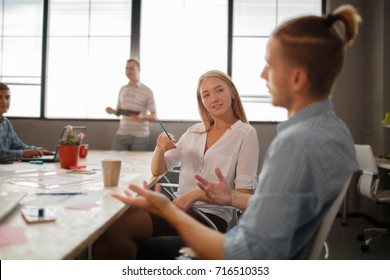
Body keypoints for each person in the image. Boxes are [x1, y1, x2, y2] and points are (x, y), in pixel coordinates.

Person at [113, 5, 360, 259]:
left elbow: (244, 253)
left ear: (297, 78)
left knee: (123, 238)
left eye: (270, 65)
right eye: (206, 94)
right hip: (238, 238)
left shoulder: (298, 143)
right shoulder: (328, 130)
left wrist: (169, 210)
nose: (262, 74)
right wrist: (229, 196)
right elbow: (277, 209)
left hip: (233, 254)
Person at [93, 70, 259, 259]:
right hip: (177, 208)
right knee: (103, 239)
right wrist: (160, 147)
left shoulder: (245, 134)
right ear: (201, 101)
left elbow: (245, 196)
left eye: (219, 90)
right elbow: (158, 168)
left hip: (209, 218)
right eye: (206, 94)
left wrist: (196, 195)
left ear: (232, 92)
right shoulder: (194, 131)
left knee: (119, 231)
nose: (214, 98)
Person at [106, 58, 157, 151]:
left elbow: (154, 116)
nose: (128, 71)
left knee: (137, 164)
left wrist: (141, 117)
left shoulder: (147, 91)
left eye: (131, 68)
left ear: (139, 70)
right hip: (122, 133)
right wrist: (112, 111)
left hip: (140, 135)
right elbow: (118, 111)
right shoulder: (122, 89)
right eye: (126, 68)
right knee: (114, 160)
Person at [0, 83, 54, 162]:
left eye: (7, 97)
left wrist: (39, 151)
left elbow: (19, 146)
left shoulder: (6, 123)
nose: (4, 101)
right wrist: (24, 153)